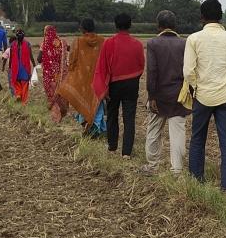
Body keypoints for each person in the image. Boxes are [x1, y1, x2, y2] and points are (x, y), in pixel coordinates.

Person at [184, 0, 226, 191]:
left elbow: (188, 72)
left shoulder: (194, 39)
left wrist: (196, 88)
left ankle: (196, 182)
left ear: (202, 17)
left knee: (197, 139)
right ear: (221, 16)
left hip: (202, 96)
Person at [141, 10, 190, 174]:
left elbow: (152, 71)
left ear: (159, 26)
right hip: (179, 96)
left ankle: (153, 165)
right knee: (178, 132)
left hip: (159, 96)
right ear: (175, 25)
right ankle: (176, 170)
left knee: (154, 130)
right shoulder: (184, 44)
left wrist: (151, 96)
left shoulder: (153, 43)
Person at [93, 13, 145, 158]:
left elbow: (102, 67)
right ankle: (126, 153)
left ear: (115, 25)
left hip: (113, 85)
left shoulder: (109, 43)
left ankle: (112, 147)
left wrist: (104, 88)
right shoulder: (138, 44)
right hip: (132, 84)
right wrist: (133, 78)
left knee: (112, 115)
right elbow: (141, 65)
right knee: (129, 118)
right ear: (130, 25)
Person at [57, 18, 105, 136]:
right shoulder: (102, 41)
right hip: (98, 79)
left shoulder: (78, 41)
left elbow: (72, 61)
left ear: (83, 28)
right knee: (97, 104)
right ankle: (96, 127)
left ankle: (88, 125)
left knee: (82, 102)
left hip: (82, 79)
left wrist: (72, 74)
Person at [38, 25, 69, 121]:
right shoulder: (62, 42)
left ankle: (56, 116)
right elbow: (68, 50)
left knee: (52, 94)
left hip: (49, 75)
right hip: (60, 75)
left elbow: (39, 59)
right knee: (60, 93)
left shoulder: (44, 43)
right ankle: (63, 111)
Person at [7, 28, 35, 104]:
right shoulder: (27, 44)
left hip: (16, 67)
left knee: (16, 82)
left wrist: (10, 67)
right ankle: (23, 102)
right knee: (25, 85)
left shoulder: (13, 45)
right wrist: (34, 64)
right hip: (25, 68)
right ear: (24, 35)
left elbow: (11, 57)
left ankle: (18, 94)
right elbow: (30, 56)